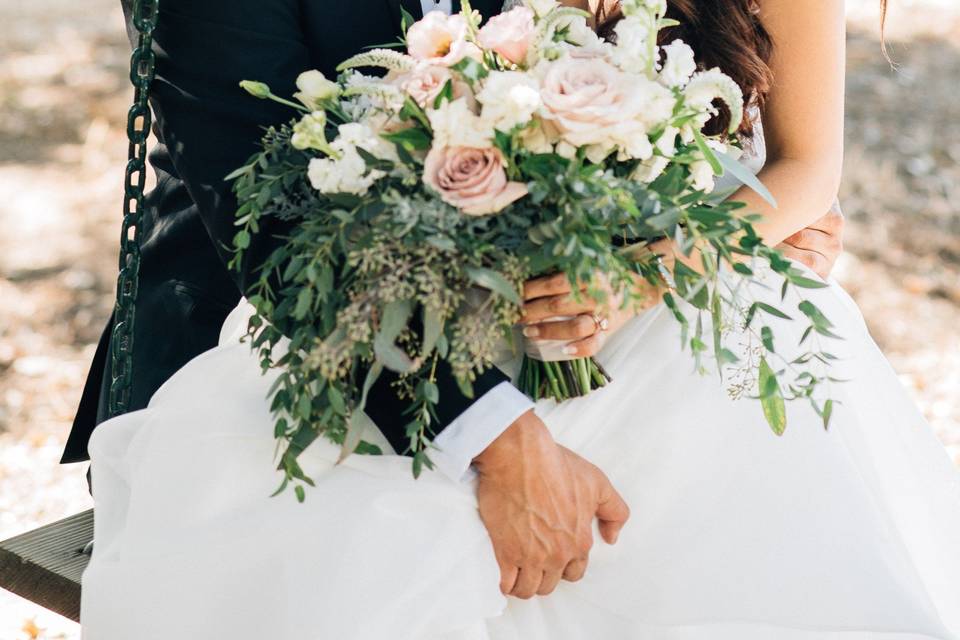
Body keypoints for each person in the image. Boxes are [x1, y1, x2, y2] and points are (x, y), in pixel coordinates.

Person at [78, 0, 960, 638]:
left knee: (747, 471)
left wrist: (712, 231)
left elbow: (792, 158)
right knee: (392, 557)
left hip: (617, 292)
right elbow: (273, 225)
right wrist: (496, 433)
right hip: (343, 327)